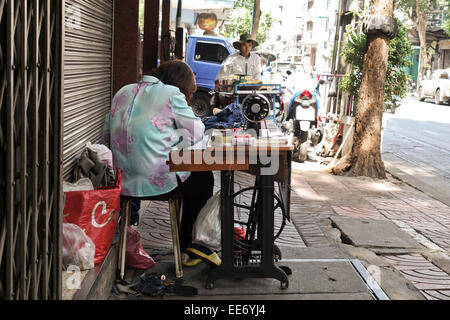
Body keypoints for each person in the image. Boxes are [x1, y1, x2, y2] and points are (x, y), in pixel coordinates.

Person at [104, 60, 220, 267]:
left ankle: (188, 244)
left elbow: (107, 133)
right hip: (155, 182)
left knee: (190, 175)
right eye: (189, 92)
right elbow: (196, 133)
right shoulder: (171, 94)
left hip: (123, 182)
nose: (189, 96)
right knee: (202, 176)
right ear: (180, 84)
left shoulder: (122, 91)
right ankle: (190, 245)